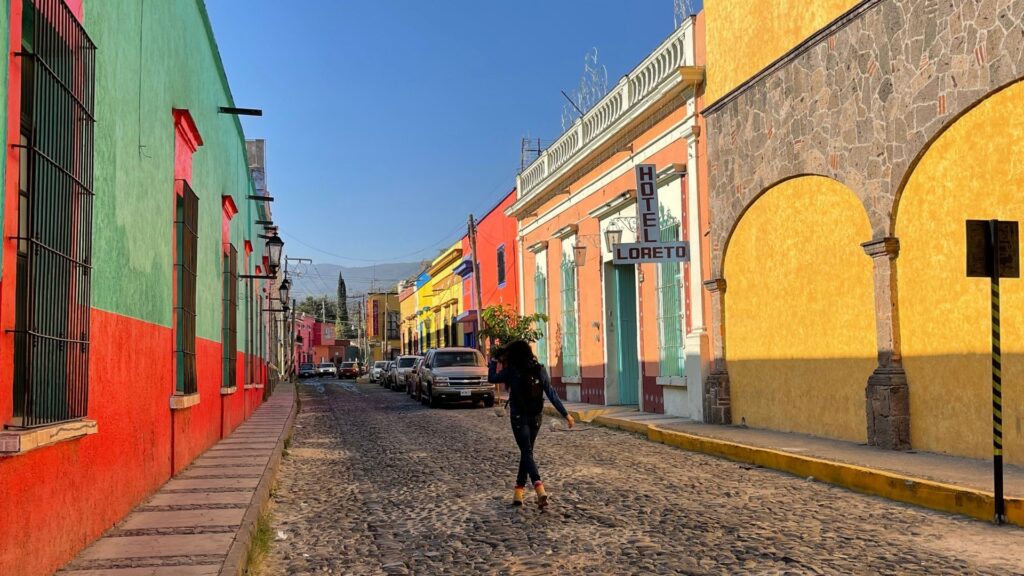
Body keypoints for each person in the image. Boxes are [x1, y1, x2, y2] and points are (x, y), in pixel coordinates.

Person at [488, 340, 574, 509]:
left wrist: (493, 361)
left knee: (526, 452)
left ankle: (539, 488)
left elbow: (492, 378)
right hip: (536, 417)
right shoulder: (539, 369)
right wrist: (566, 414)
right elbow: (551, 393)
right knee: (527, 452)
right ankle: (518, 493)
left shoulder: (512, 371)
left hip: (519, 417)